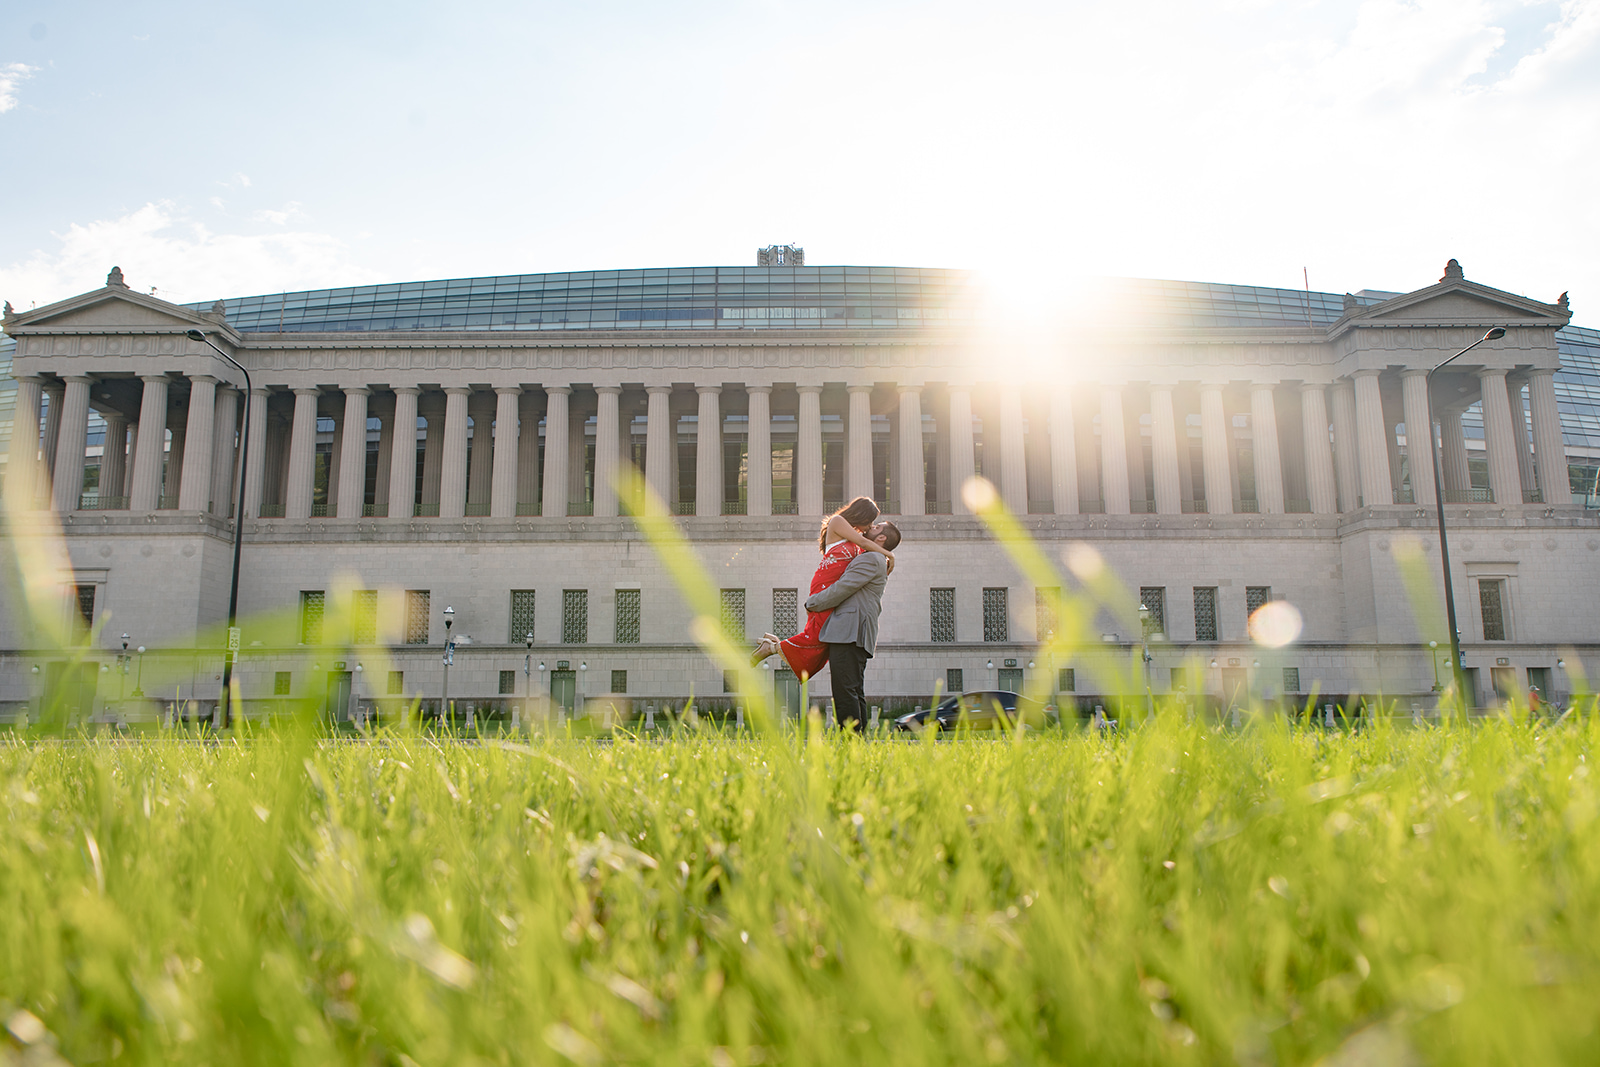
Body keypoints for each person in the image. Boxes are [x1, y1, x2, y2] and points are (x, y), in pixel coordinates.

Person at [749, 497, 895, 679]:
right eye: (869, 521)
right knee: (817, 633)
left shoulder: (854, 536)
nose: (869, 526)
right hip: (825, 582)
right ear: (861, 514)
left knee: (821, 636)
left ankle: (772, 646)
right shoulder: (838, 522)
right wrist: (890, 555)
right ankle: (771, 648)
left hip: (835, 586)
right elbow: (865, 543)